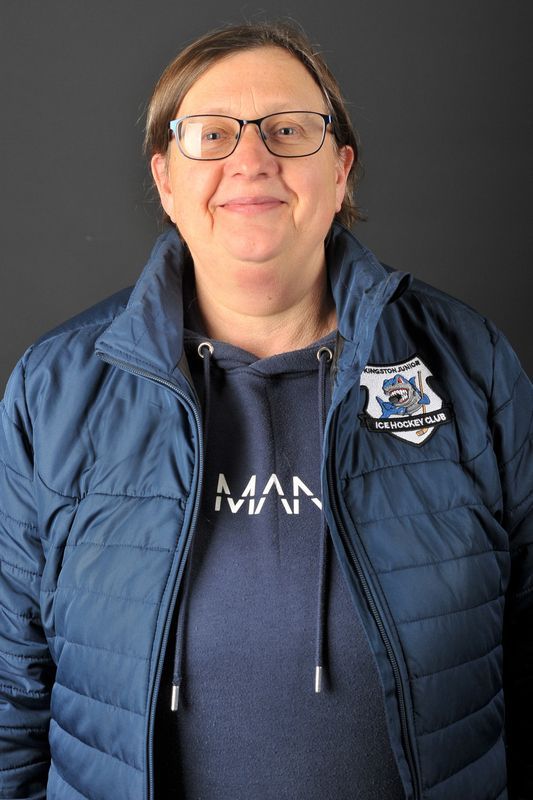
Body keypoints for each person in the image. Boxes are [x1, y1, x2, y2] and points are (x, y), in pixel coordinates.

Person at [0, 19, 531, 800]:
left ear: (340, 170)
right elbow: (10, 687)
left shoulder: (468, 363)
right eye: (211, 135)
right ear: (165, 180)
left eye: (288, 130)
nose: (251, 160)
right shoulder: (56, 390)